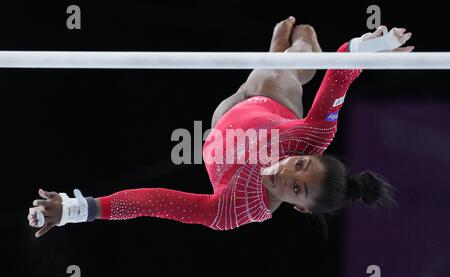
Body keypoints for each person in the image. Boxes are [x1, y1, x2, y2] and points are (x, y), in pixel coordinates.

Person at [28, 17, 413, 237]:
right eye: (298, 164)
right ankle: (300, 44)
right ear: (307, 155)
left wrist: (82, 209)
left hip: (223, 122)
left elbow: (157, 203)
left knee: (264, 72)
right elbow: (341, 74)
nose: (283, 172)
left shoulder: (232, 211)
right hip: (274, 102)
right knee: (282, 69)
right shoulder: (314, 136)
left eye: (296, 189)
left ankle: (279, 51)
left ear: (299, 208)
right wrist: (366, 50)